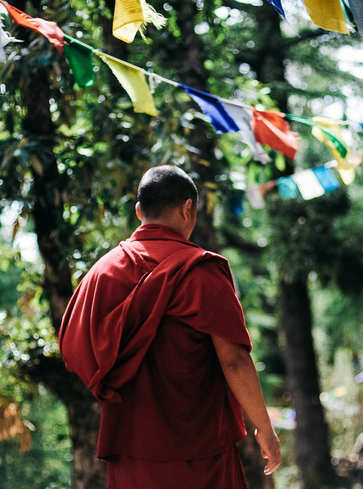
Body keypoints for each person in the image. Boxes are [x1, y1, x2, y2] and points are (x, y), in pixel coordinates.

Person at [59, 165, 281, 489]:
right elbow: (233, 359)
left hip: (132, 451)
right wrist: (265, 428)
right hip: (202, 453)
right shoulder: (201, 272)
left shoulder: (102, 274)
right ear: (187, 208)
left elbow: (75, 351)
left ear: (139, 211)